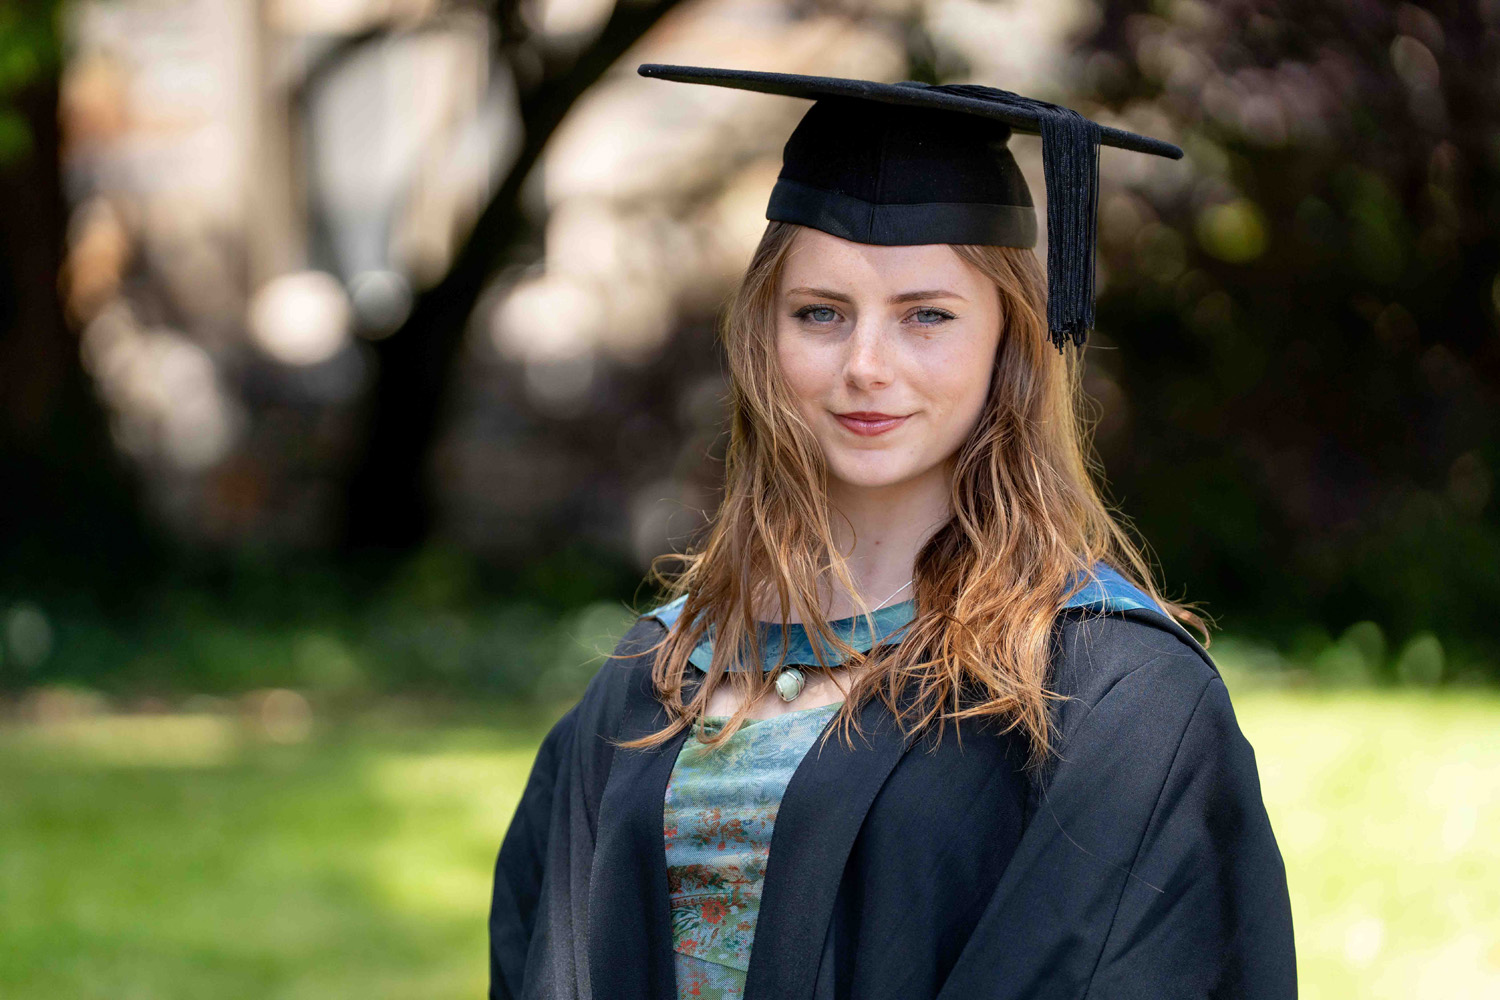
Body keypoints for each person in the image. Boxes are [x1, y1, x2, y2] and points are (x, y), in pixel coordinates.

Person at [488, 64, 1296, 1000]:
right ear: (764, 337)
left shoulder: (1108, 694)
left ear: (1010, 344)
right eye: (821, 313)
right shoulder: (655, 676)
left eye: (927, 317)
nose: (866, 366)